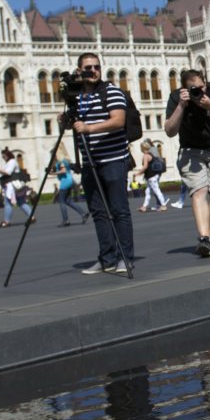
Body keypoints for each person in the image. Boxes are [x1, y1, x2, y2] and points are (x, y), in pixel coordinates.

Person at [65, 53, 134, 274]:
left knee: (119, 210)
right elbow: (76, 125)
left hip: (113, 159)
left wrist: (89, 128)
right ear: (79, 71)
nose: (93, 71)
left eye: (96, 67)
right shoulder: (76, 98)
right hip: (89, 162)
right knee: (99, 212)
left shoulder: (112, 92)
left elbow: (118, 121)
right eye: (88, 68)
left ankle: (125, 257)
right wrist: (67, 122)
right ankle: (107, 259)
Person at [164, 68, 210, 258]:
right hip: (190, 150)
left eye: (201, 87)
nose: (198, 92)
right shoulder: (176, 98)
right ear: (184, 89)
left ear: (206, 83)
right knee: (199, 191)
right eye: (193, 89)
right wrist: (181, 105)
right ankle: (204, 238)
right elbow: (169, 131)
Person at [0, 147, 35, 228]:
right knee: (21, 202)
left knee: (8, 203)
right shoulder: (9, 163)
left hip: (13, 187)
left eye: (4, 156)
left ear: (8, 156)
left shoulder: (12, 162)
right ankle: (32, 217)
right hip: (12, 186)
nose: (3, 158)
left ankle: (6, 221)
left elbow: (8, 173)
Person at [52, 150, 88, 226]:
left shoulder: (60, 161)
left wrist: (53, 173)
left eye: (54, 155)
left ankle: (66, 220)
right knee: (68, 201)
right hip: (69, 181)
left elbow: (63, 170)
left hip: (65, 183)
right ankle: (83, 213)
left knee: (61, 201)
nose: (53, 157)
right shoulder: (65, 161)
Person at [134, 139, 169, 212]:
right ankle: (144, 207)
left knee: (156, 190)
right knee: (148, 191)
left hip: (151, 176)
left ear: (143, 148)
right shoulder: (150, 154)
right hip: (152, 175)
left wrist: (138, 173)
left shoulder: (146, 155)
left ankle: (163, 205)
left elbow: (145, 166)